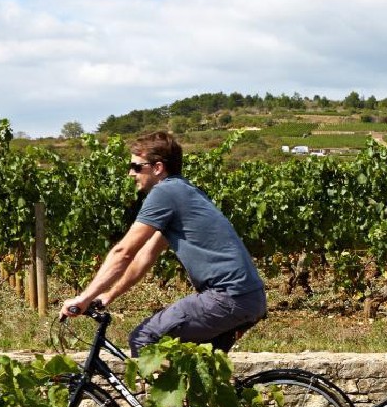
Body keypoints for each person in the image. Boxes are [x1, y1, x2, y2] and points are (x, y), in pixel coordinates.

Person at [60, 131, 267, 356]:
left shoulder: (165, 192)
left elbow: (124, 252)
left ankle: (160, 392)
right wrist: (109, 296)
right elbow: (144, 257)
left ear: (157, 168)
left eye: (137, 167)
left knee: (143, 339)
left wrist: (84, 298)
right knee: (195, 369)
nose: (131, 173)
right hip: (248, 298)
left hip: (226, 296)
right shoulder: (183, 191)